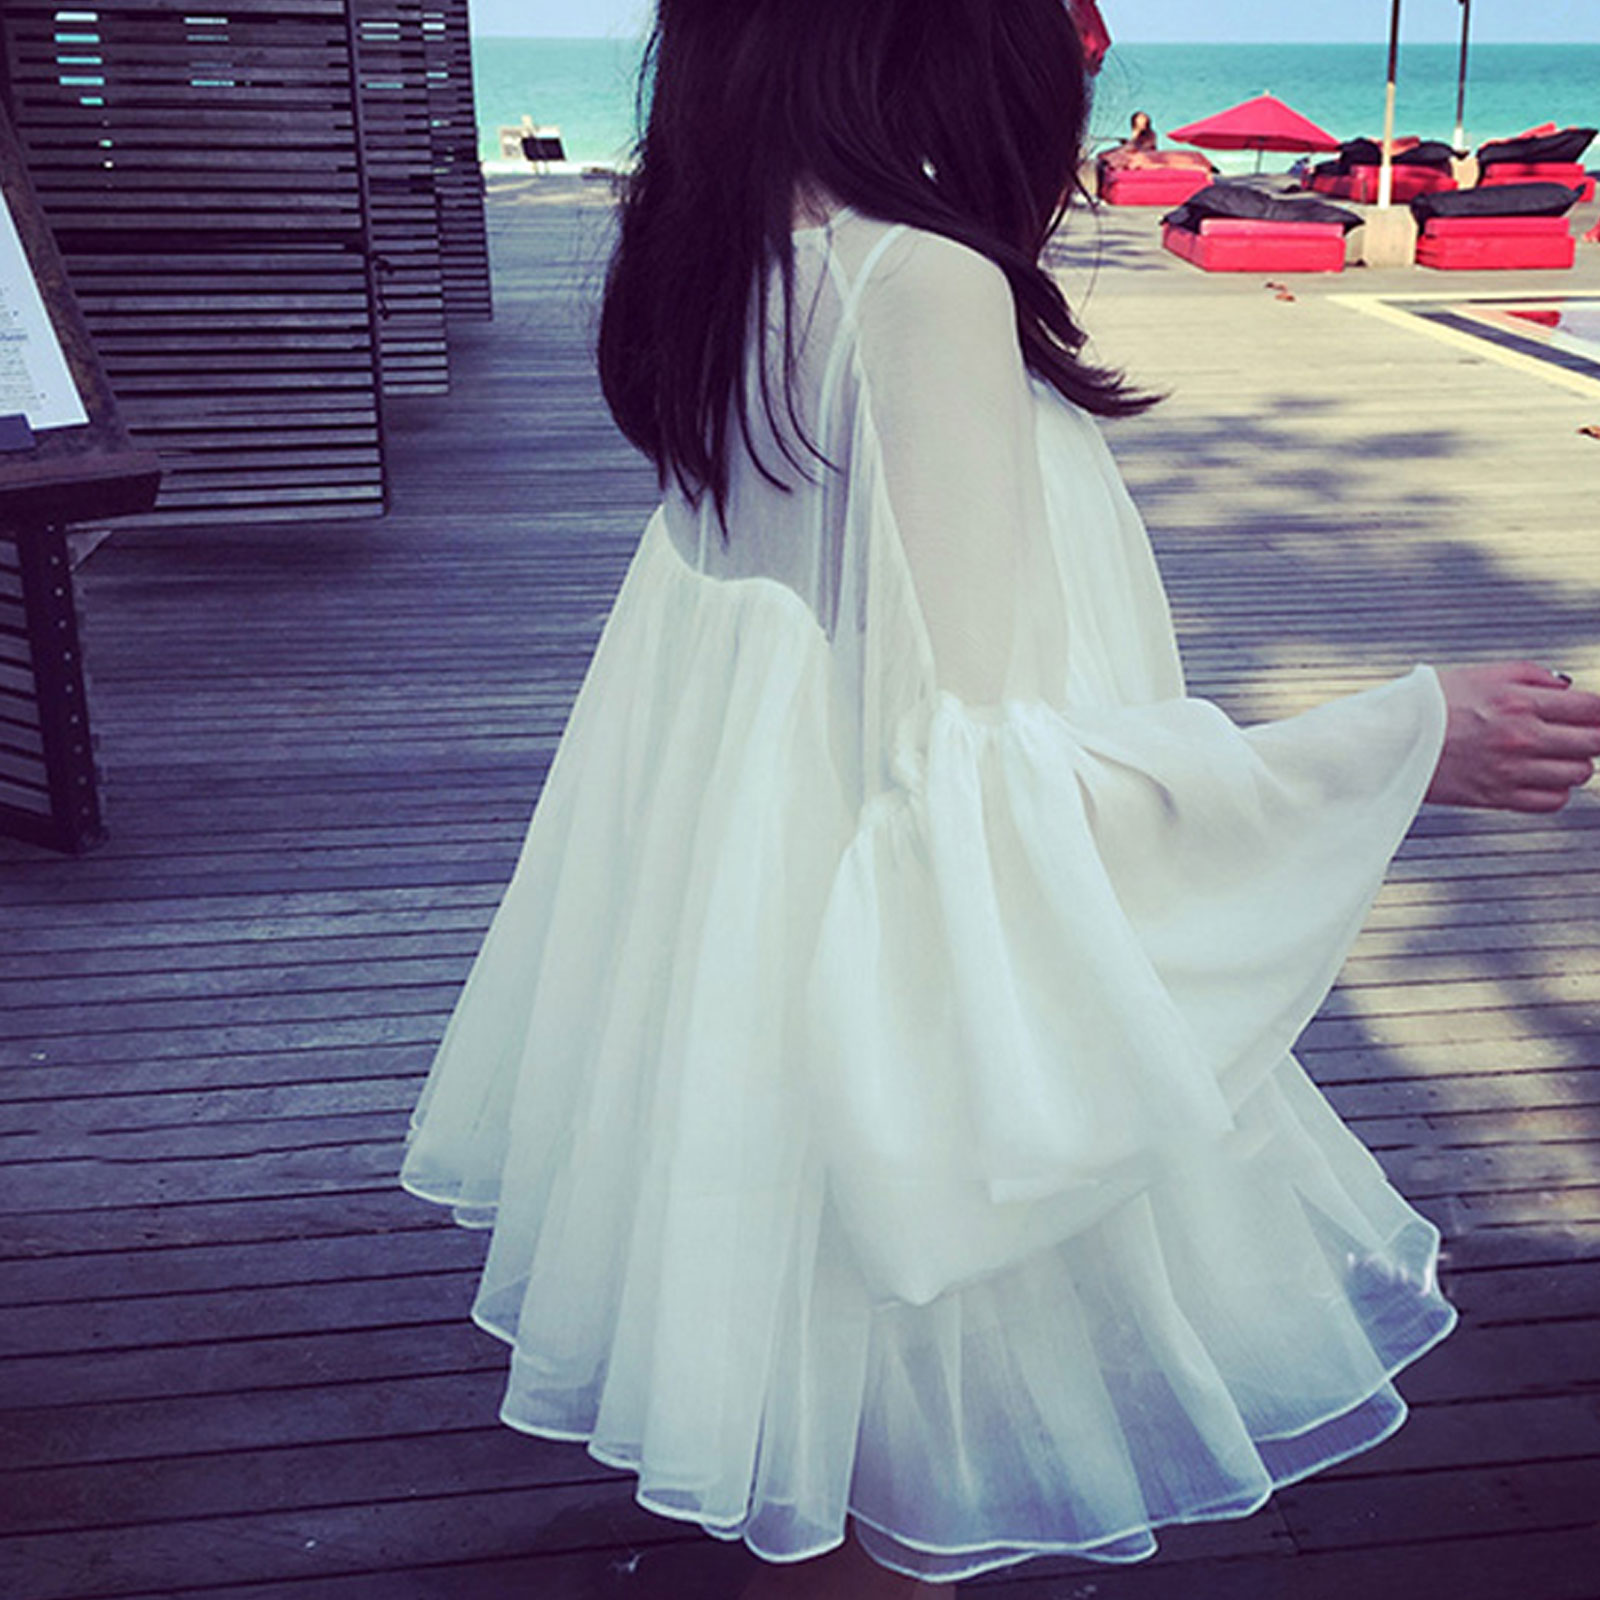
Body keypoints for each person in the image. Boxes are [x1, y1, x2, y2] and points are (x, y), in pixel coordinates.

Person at [400, 2, 1600, 1596]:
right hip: (917, 1003)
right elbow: (986, 785)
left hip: (763, 956)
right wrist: (1399, 742)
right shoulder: (920, 285)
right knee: (907, 1477)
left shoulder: (730, 253)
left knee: (834, 1457)